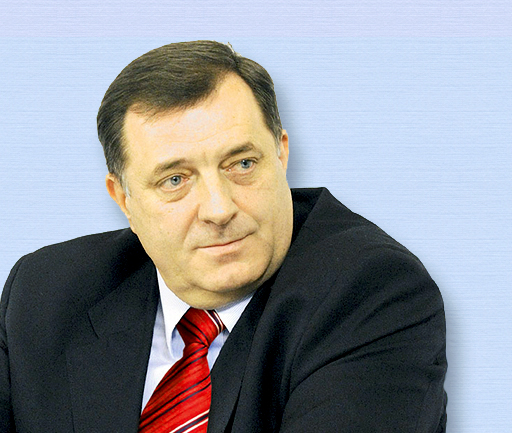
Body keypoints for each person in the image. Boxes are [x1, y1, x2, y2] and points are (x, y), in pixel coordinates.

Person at [0, 41, 447, 432]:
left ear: (281, 154)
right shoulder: (45, 294)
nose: (219, 209)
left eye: (242, 164)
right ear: (124, 199)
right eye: (175, 180)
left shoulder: (372, 292)